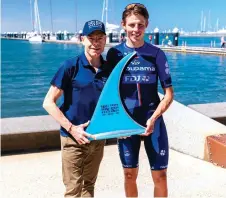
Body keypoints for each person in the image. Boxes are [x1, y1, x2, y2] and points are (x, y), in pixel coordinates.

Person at [106, 3, 174, 197]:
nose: (136, 29)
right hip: (127, 123)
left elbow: (169, 94)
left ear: (147, 25)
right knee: (129, 174)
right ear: (123, 25)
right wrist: (116, 121)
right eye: (132, 24)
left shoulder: (156, 54)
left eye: (141, 25)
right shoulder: (115, 54)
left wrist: (154, 118)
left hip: (153, 121)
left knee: (160, 175)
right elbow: (108, 93)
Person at [43, 19, 107, 197]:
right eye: (91, 38)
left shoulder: (109, 69)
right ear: (82, 39)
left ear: (105, 40)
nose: (95, 42)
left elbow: (112, 103)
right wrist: (72, 128)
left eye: (99, 38)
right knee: (73, 190)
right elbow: (48, 102)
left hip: (97, 138)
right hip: (73, 139)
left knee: (89, 186)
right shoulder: (70, 66)